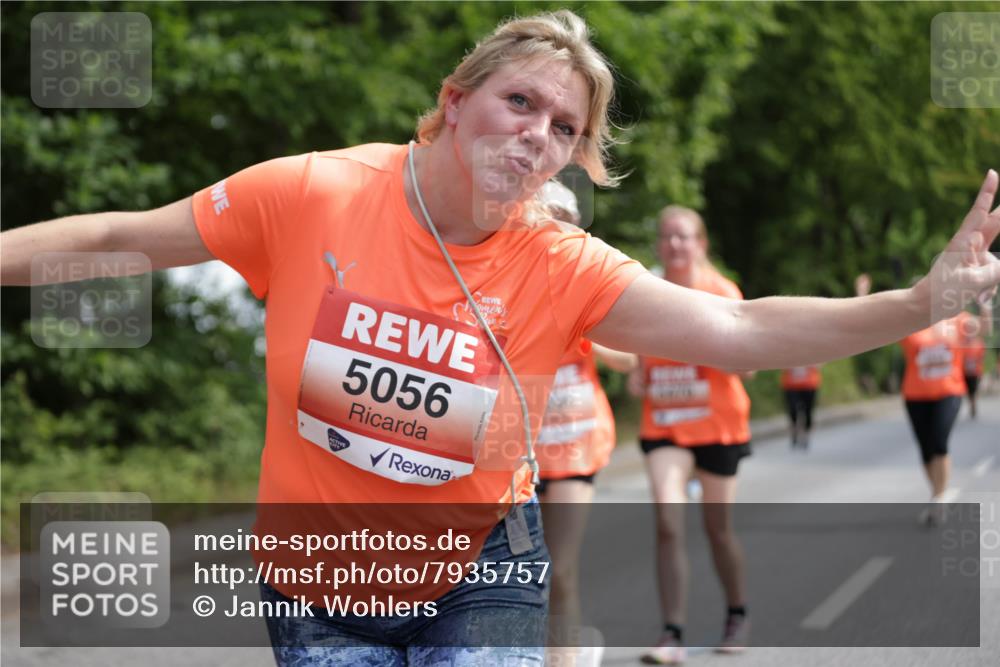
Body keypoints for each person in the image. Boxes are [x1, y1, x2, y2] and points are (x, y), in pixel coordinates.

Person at [2, 9, 999, 666]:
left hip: (481, 564)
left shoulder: (559, 263)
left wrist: (918, 301)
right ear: (451, 103)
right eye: (518, 102)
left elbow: (734, 327)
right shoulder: (311, 193)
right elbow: (118, 236)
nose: (536, 135)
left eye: (563, 127)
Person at [631, 206, 751, 663]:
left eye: (684, 237)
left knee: (718, 530)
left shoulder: (721, 293)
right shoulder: (649, 292)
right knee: (667, 518)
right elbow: (638, 351)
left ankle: (738, 615)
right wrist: (638, 375)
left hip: (718, 425)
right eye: (667, 237)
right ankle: (672, 634)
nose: (675, 245)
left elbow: (749, 360)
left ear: (701, 244)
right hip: (664, 424)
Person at [535, 180, 637, 667]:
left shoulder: (587, 286)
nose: (548, 228)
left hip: (575, 442)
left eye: (559, 219)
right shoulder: (504, 285)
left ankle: (566, 657)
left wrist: (578, 329)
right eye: (540, 217)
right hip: (516, 451)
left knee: (561, 568)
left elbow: (629, 359)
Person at [900, 306, 990, 525]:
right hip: (915, 395)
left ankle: (939, 499)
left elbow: (985, 328)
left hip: (949, 391)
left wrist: (985, 304)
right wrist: (862, 295)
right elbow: (876, 330)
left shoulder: (958, 321)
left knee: (940, 441)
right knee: (926, 449)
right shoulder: (909, 322)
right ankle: (937, 492)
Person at [781, 365, 822, 449]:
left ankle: (806, 436)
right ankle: (794, 433)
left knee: (808, 412)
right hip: (791, 385)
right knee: (793, 410)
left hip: (809, 384)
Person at [961, 315, 987, 418]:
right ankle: (971, 405)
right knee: (967, 391)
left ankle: (973, 407)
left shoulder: (979, 343)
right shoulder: (962, 343)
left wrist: (978, 366)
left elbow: (981, 358)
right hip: (964, 372)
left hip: (975, 372)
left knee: (973, 390)